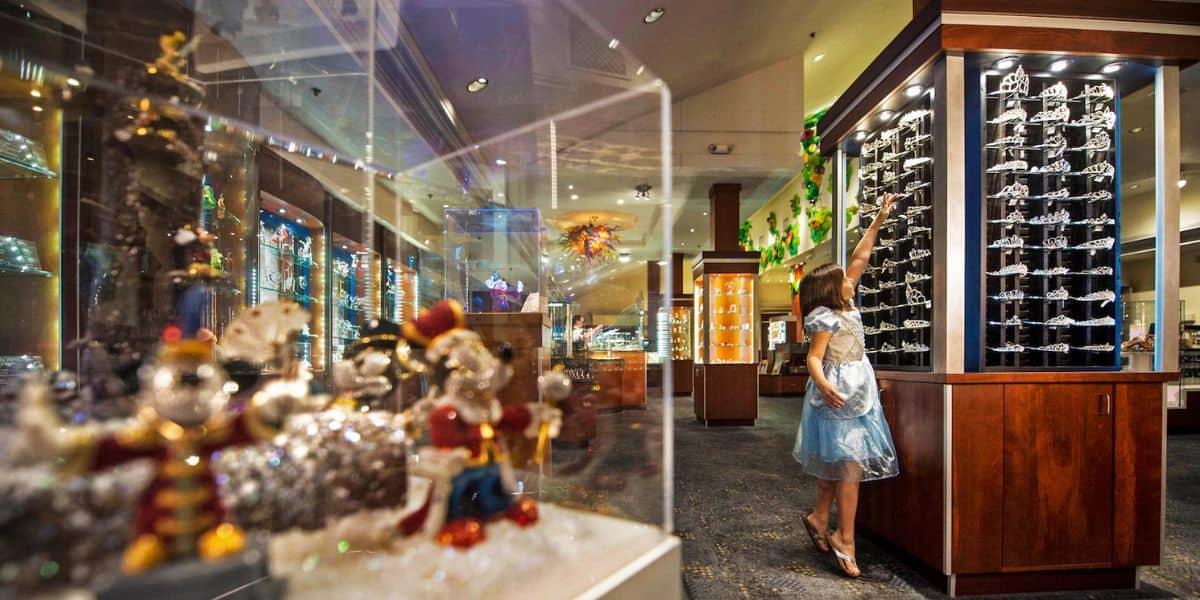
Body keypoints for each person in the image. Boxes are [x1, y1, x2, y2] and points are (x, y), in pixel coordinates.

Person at [793, 193, 900, 578]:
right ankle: (845, 537)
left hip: (858, 391)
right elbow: (814, 359)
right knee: (849, 469)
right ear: (831, 290)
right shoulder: (825, 317)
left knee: (835, 467)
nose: (852, 280)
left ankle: (820, 518)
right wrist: (822, 385)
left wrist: (877, 221)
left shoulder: (847, 304)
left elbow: (860, 258)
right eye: (844, 280)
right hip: (837, 397)